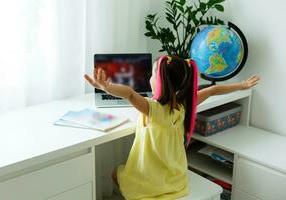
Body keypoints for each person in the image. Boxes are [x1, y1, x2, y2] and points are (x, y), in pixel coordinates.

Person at [84, 55, 259, 200]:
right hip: (176, 178)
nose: (149, 77)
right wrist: (241, 85)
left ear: (160, 82)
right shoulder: (185, 105)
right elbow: (213, 90)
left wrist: (107, 87)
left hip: (149, 181)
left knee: (115, 173)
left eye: (152, 74)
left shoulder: (152, 108)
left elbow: (129, 94)